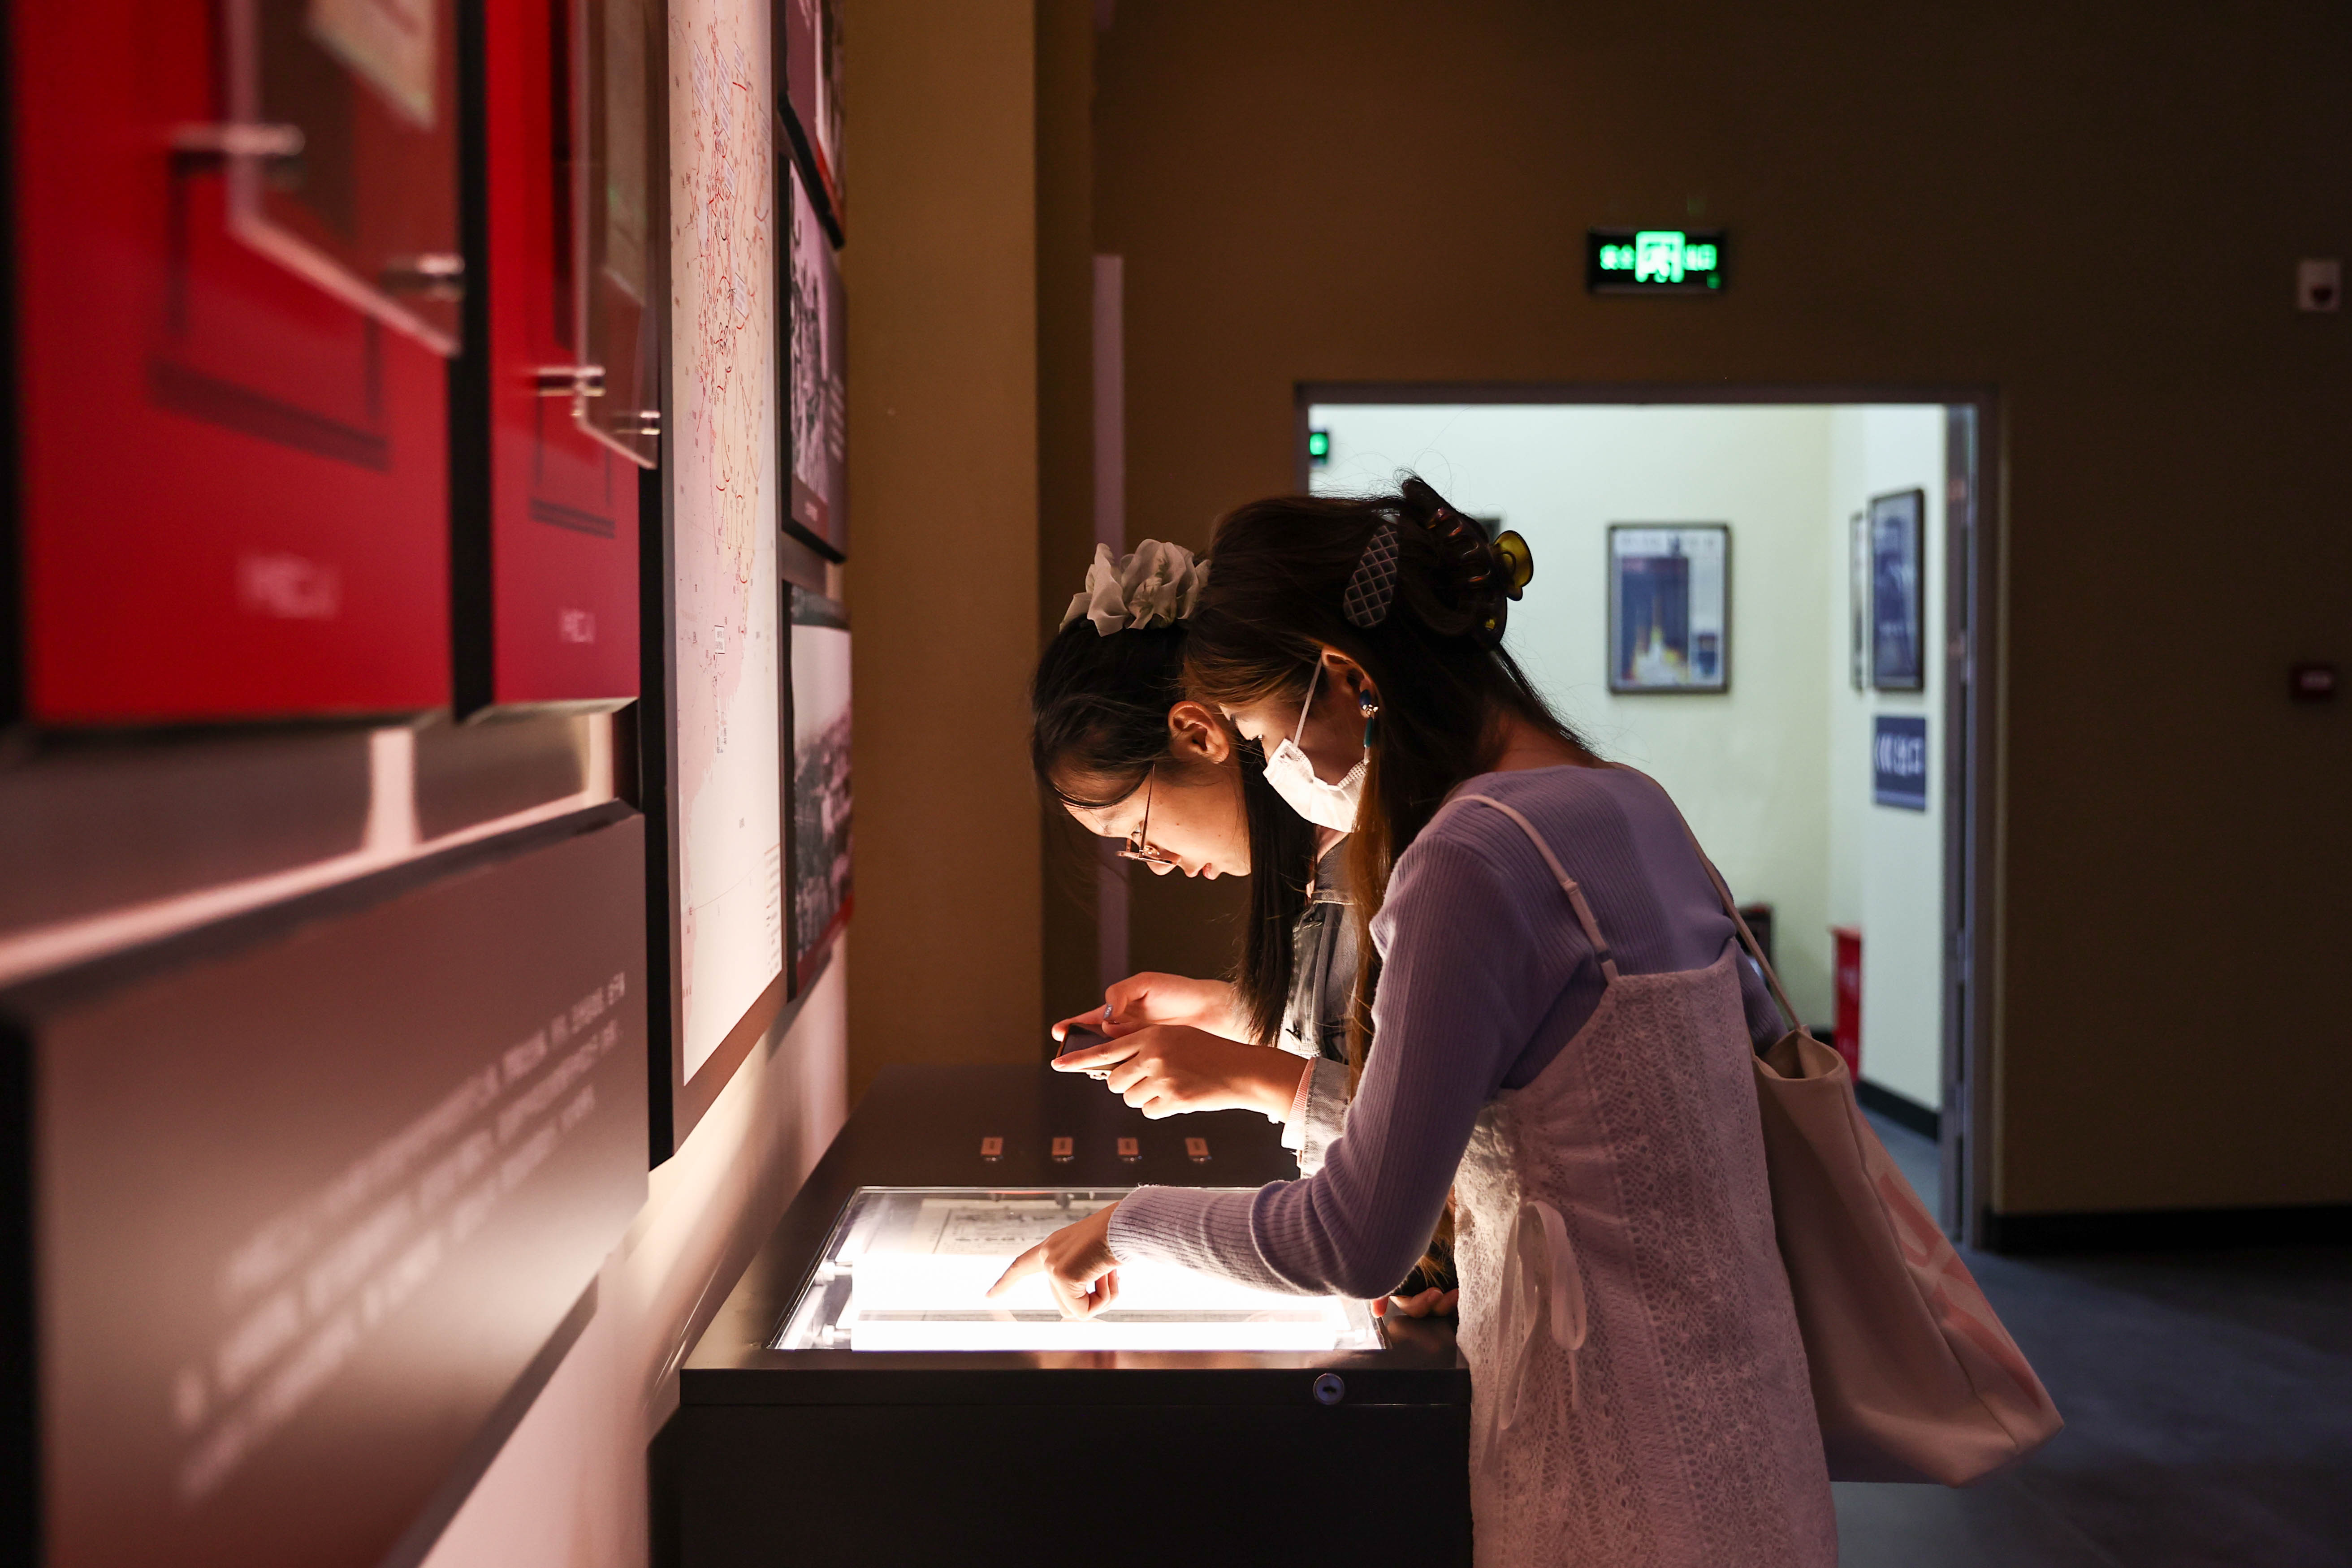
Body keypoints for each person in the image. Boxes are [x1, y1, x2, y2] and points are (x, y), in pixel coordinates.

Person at [995, 483, 1836, 1566]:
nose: (1275, 771)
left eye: (1259, 733)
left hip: (1616, 1467)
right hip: (1753, 1447)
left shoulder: (1464, 858)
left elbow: (1352, 1238)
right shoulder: (1632, 800)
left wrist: (1124, 1226)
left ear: (1342, 678)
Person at [1033, 539, 1459, 1315]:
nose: (1157, 863)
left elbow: (1429, 1150)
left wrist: (1242, 1073)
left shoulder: (1407, 863)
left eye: (1139, 833)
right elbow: (1369, 1049)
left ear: (1204, 734)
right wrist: (1224, 1012)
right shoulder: (1333, 861)